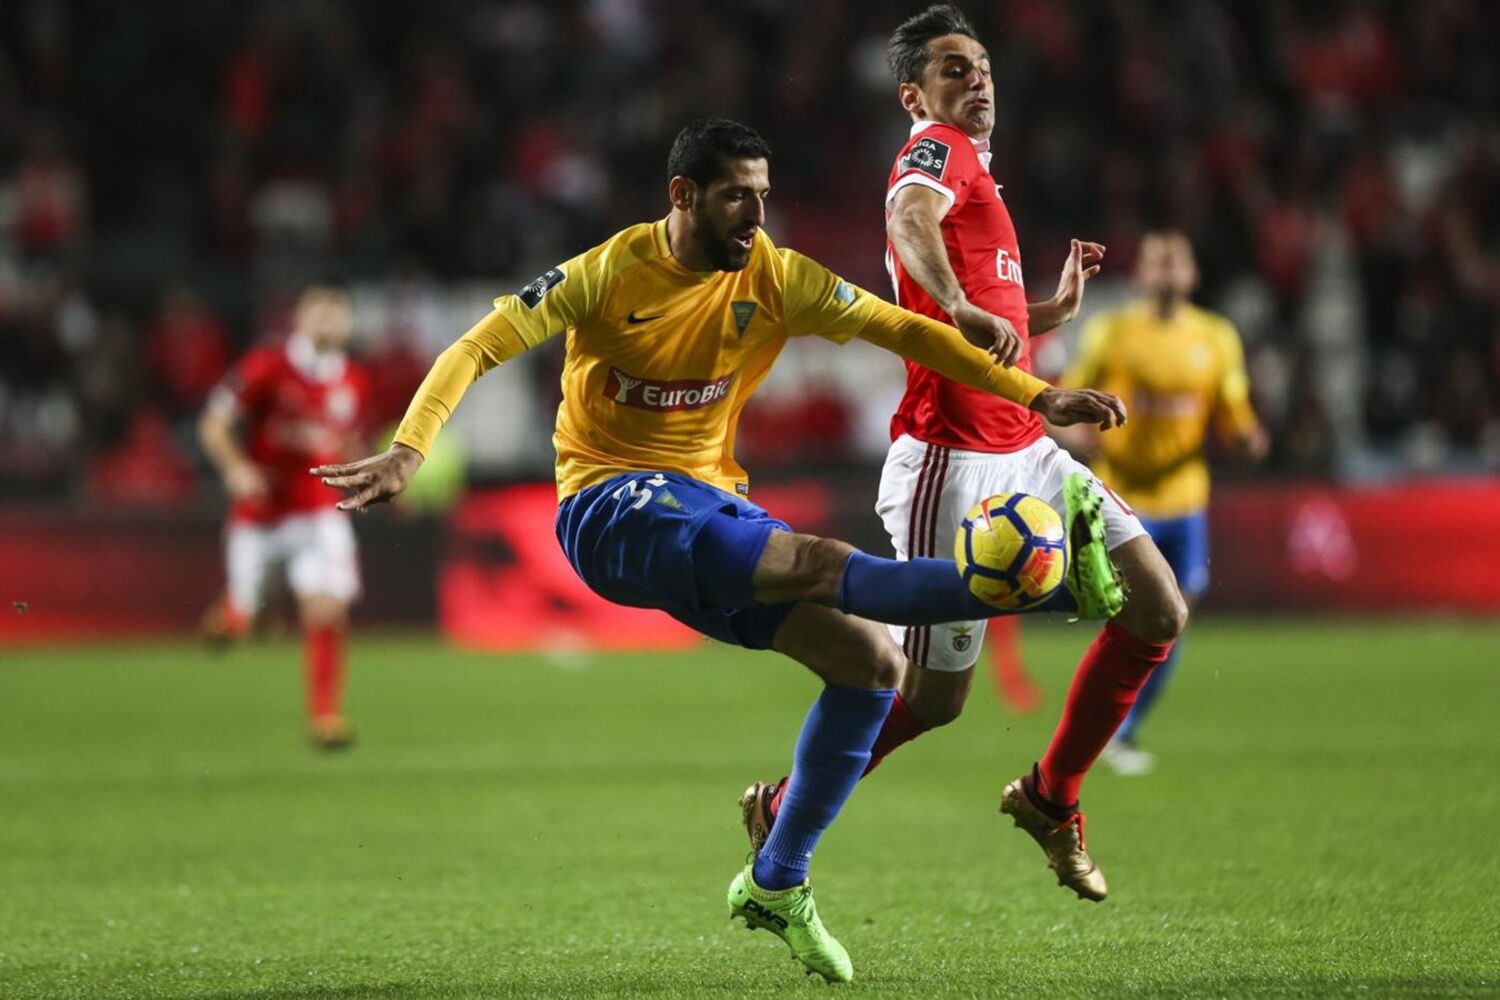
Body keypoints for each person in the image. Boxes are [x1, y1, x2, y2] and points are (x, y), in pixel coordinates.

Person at [311, 118, 1125, 983]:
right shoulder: (608, 271)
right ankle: (1048, 588)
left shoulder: (779, 277)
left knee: (871, 666)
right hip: (609, 504)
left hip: (708, 502)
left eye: (764, 195)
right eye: (738, 196)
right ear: (683, 194)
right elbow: (480, 344)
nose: (756, 214)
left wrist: (1036, 394)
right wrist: (411, 447)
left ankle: (777, 880)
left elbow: (910, 332)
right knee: (819, 562)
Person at [741, 4, 1189, 905]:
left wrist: (1048, 311)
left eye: (982, 65)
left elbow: (982, 310)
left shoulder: (977, 166)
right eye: (953, 67)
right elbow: (911, 223)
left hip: (1025, 445)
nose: (977, 78)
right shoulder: (933, 150)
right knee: (935, 697)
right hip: (951, 461)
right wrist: (959, 304)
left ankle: (1051, 797)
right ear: (913, 95)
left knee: (1157, 610)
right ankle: (782, 807)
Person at [1061, 230, 1268, 775]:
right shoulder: (1113, 331)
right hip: (1124, 496)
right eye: (1158, 261)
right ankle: (1098, 728)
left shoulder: (1216, 336)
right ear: (1142, 273)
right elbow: (1070, 395)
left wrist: (1247, 437)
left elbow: (1233, 409)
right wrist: (1078, 435)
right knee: (1136, 619)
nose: (1169, 270)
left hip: (1185, 498)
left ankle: (1122, 729)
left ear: (1193, 273)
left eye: (1177, 261)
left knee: (1173, 620)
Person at [199, 281, 368, 750]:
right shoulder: (266, 366)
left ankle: (325, 718)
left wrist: (373, 480)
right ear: (299, 318)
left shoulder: (354, 379)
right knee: (251, 626)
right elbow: (213, 424)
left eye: (337, 311)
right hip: (261, 515)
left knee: (327, 608)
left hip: (319, 514)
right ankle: (232, 616)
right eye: (319, 310)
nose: (328, 319)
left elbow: (345, 444)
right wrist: (236, 469)